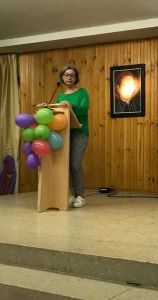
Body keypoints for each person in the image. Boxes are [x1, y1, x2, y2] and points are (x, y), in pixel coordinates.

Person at [57, 64, 90, 208]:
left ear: (76, 77)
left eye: (72, 75)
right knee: (67, 165)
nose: (69, 77)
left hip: (80, 133)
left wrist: (70, 105)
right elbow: (59, 115)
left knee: (76, 164)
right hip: (65, 133)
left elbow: (83, 109)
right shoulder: (60, 96)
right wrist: (48, 107)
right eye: (66, 75)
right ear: (62, 77)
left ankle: (80, 196)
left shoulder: (82, 92)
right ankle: (71, 194)